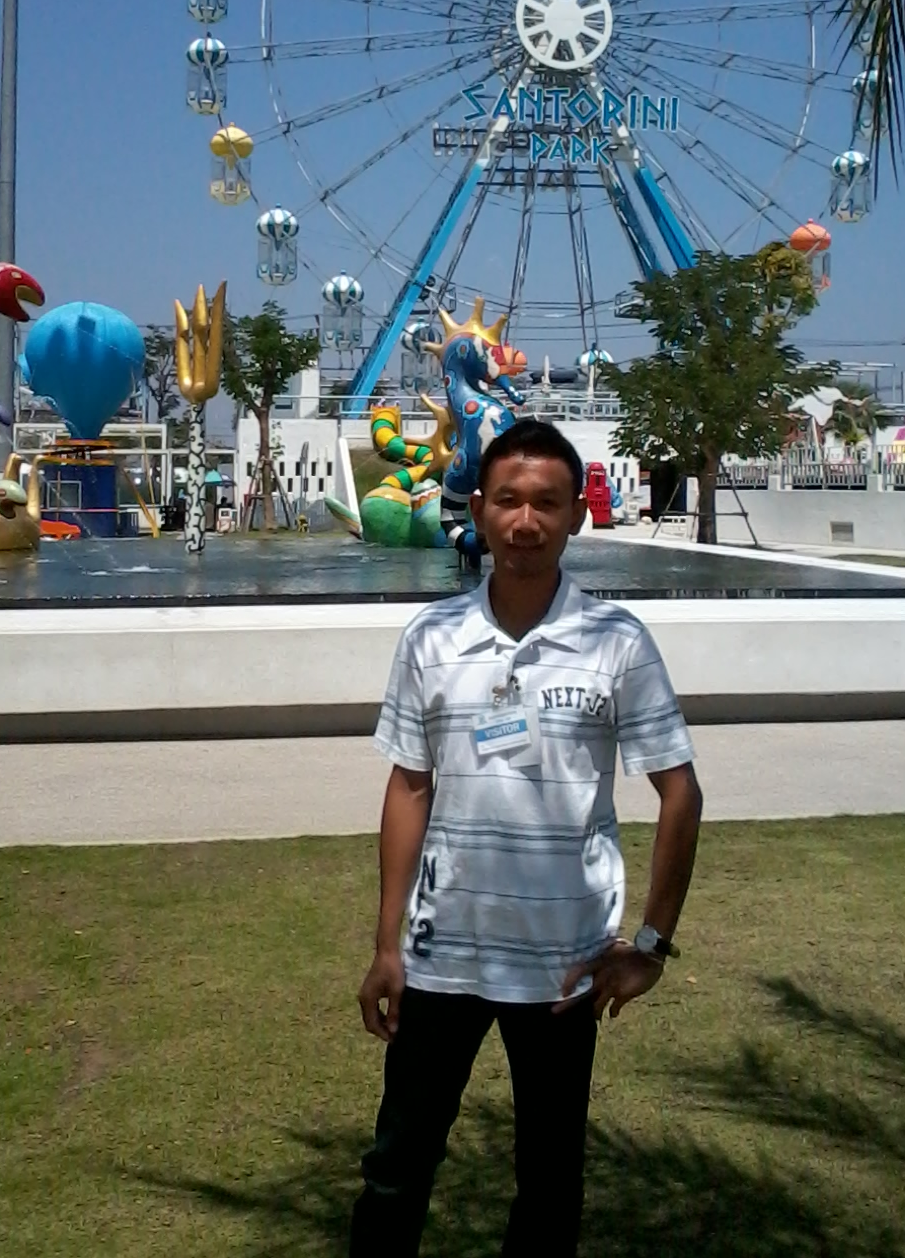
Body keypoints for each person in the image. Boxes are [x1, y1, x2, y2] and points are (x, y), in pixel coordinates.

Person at [349, 417, 703, 1257]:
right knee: (397, 1168)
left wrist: (652, 944)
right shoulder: (431, 638)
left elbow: (680, 792)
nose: (525, 521)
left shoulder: (617, 642)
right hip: (442, 956)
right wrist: (387, 943)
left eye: (547, 503)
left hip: (564, 967)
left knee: (548, 1183)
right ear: (478, 508)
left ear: (577, 514)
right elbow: (409, 785)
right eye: (508, 500)